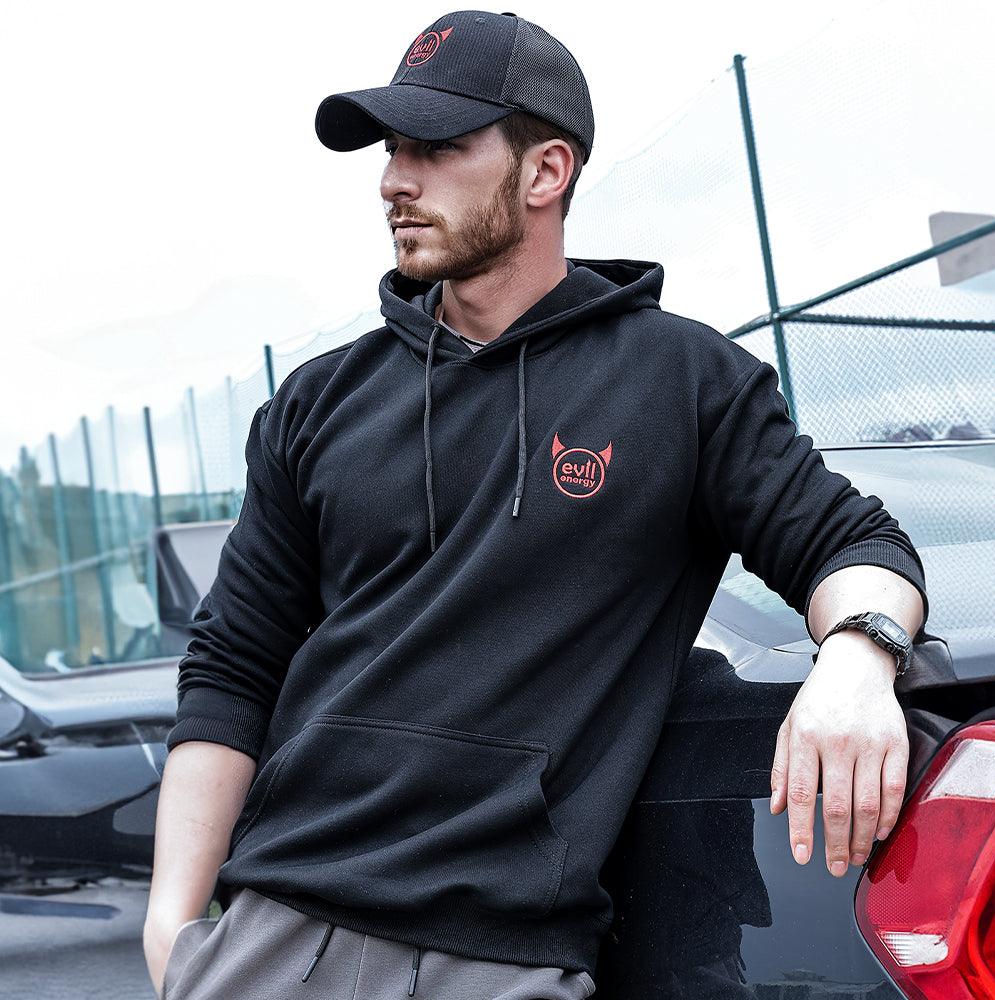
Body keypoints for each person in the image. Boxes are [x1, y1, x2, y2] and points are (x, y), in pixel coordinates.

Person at [144, 10, 930, 999]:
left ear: (545, 171)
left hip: (506, 957)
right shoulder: (316, 402)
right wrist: (173, 927)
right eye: (391, 150)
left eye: (435, 147)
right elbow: (233, 665)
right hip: (277, 933)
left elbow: (855, 543)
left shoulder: (680, 382)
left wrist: (857, 661)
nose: (394, 181)